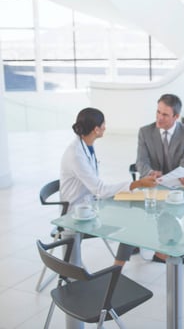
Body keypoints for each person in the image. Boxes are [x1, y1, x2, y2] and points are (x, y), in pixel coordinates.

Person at [59, 107, 157, 329]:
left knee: (132, 217)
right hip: (75, 216)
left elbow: (96, 189)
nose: (105, 128)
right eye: (103, 124)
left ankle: (130, 258)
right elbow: (99, 189)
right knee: (73, 270)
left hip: (90, 207)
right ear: (96, 129)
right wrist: (136, 183)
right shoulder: (76, 153)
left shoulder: (86, 146)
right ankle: (88, 299)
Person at [115, 93, 184, 265]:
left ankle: (167, 248)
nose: (159, 118)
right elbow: (141, 161)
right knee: (137, 216)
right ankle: (157, 248)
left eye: (165, 114)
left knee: (177, 208)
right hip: (151, 187)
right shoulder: (145, 132)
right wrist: (150, 172)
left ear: (176, 116)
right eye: (158, 112)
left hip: (176, 189)